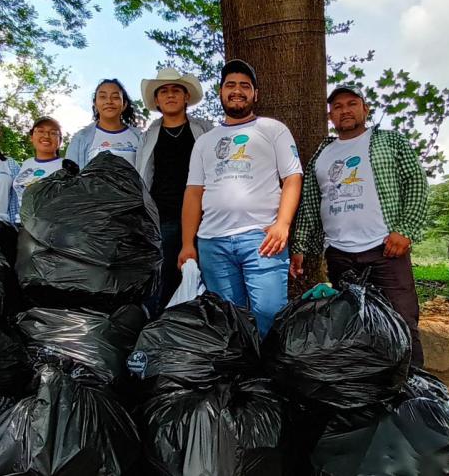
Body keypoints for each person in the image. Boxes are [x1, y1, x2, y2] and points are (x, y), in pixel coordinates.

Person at [290, 84, 429, 367]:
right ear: (331, 117)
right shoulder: (322, 153)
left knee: (402, 321)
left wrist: (406, 230)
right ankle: (371, 389)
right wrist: (301, 246)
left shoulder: (389, 141)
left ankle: (416, 394)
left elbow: (416, 183)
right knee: (355, 324)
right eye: (338, 107)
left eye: (352, 104)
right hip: (340, 254)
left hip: (385, 249)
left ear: (365, 109)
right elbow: (310, 203)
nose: (345, 111)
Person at [178, 60, 303, 337]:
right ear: (221, 92)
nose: (237, 91)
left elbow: (293, 177)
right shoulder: (205, 141)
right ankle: (241, 378)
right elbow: (193, 192)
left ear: (255, 94)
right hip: (212, 242)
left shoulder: (273, 130)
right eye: (230, 85)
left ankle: (268, 376)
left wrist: (282, 224)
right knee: (228, 319)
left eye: (245, 86)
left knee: (269, 312)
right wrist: (188, 244)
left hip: (262, 239)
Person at [137, 68, 214, 313]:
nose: (170, 95)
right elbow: (143, 174)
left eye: (176, 90)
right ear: (157, 100)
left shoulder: (205, 130)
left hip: (204, 216)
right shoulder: (149, 135)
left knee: (205, 277)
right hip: (163, 215)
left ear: (186, 97)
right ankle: (165, 328)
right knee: (166, 277)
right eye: (164, 91)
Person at [66, 79, 143, 169]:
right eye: (103, 97)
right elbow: (69, 178)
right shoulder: (81, 138)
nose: (109, 101)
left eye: (115, 97)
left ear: (124, 104)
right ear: (95, 104)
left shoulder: (140, 137)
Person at [13, 116, 64, 223]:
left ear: (60, 141)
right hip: (20, 227)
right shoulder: (27, 163)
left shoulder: (66, 166)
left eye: (53, 132)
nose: (46, 136)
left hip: (48, 229)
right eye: (40, 131)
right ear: (31, 137)